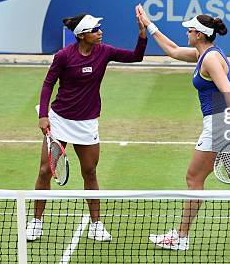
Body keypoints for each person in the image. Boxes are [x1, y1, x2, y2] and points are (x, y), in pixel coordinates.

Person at [136, 5, 230, 252]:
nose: (187, 33)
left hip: (220, 124)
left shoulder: (211, 59)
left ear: (199, 34)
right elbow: (173, 50)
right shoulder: (202, 54)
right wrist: (149, 25)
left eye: (190, 30)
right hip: (221, 122)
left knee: (193, 178)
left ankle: (181, 236)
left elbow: (227, 90)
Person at [26, 12, 147, 241]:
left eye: (99, 29)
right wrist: (43, 115)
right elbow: (48, 84)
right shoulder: (63, 56)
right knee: (44, 171)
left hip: (87, 123)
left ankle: (96, 225)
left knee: (90, 172)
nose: (100, 32)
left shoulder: (105, 52)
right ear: (82, 35)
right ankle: (36, 222)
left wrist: (142, 34)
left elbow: (136, 56)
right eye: (95, 30)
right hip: (60, 119)